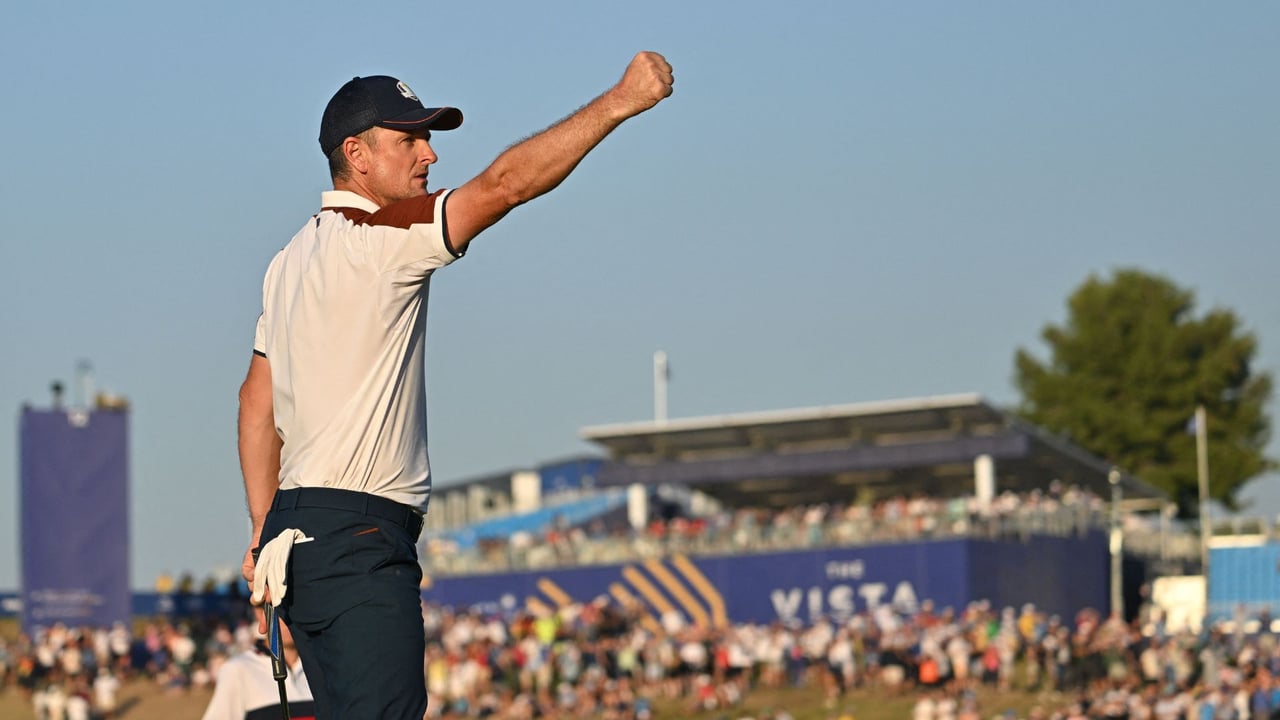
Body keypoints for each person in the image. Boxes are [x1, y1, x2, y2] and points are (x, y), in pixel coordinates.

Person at [237, 51, 674, 719]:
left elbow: (254, 403)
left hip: (299, 538)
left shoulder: (288, 259)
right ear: (355, 153)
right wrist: (619, 101)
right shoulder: (380, 237)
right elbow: (505, 185)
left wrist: (264, 533)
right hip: (358, 539)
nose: (430, 154)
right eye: (409, 138)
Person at [202, 620, 314, 720]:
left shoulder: (324, 666)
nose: (290, 619)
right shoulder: (238, 668)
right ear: (262, 615)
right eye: (282, 610)